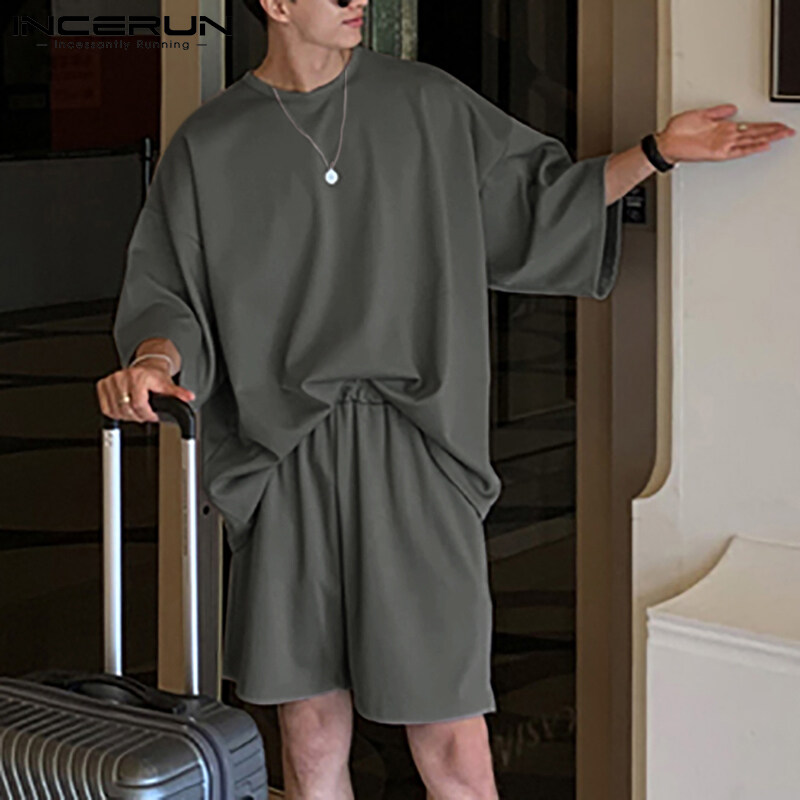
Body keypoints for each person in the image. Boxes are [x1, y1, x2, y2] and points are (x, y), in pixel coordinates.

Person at [95, 0, 795, 796]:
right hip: (284, 455)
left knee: (451, 735)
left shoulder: (426, 102)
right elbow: (169, 291)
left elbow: (535, 200)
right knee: (310, 730)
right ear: (277, 4)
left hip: (417, 446)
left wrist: (656, 154)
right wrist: (152, 361)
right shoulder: (211, 144)